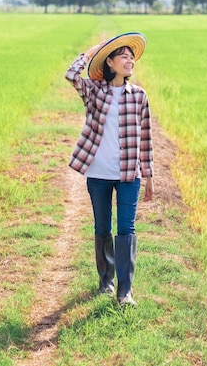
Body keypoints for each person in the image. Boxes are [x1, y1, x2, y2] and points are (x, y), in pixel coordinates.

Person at [64, 32, 154, 307]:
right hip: (98, 172)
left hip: (129, 173)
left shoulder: (138, 96)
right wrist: (91, 53)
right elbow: (71, 75)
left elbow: (146, 137)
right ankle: (106, 282)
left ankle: (124, 292)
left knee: (126, 228)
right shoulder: (94, 91)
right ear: (110, 63)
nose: (130, 61)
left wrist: (148, 175)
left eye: (132, 57)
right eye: (123, 57)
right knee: (102, 226)